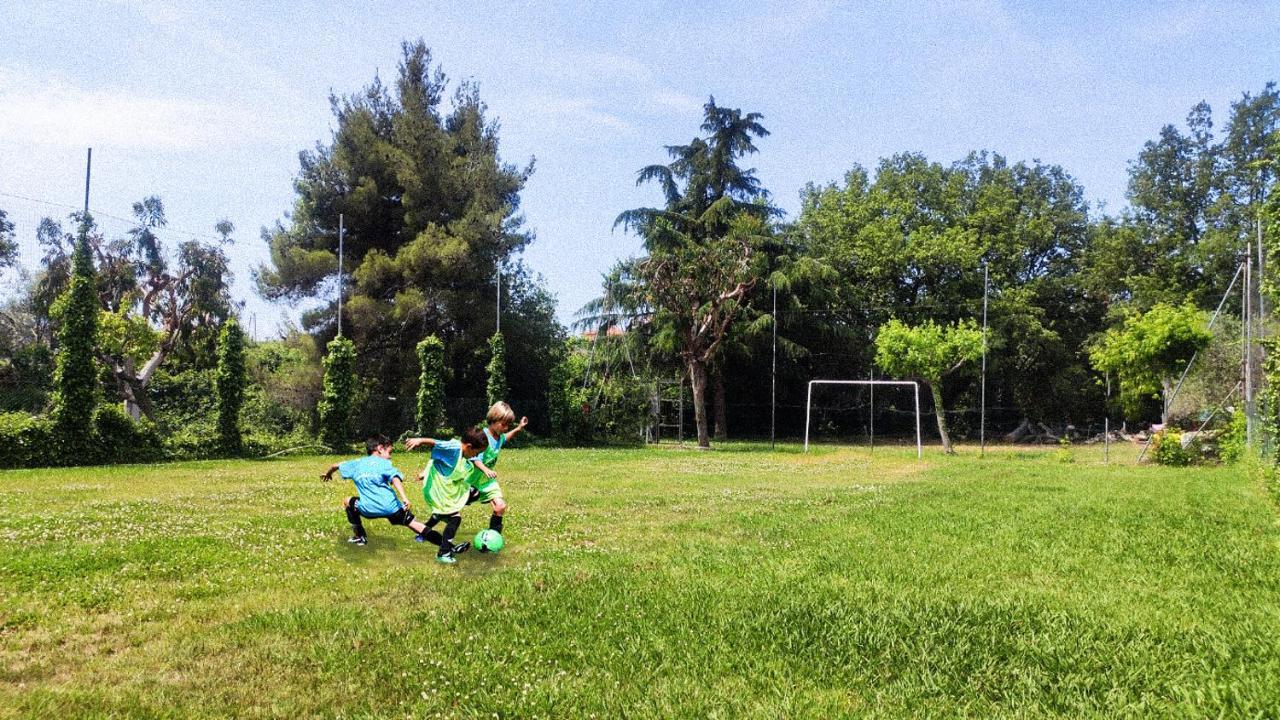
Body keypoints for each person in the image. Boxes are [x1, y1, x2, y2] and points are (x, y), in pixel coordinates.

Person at [320, 434, 436, 547]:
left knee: (347, 501)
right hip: (391, 508)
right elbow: (395, 479)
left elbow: (335, 465)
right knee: (415, 524)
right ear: (380, 449)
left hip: (368, 509)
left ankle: (359, 536)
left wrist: (328, 474)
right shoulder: (384, 464)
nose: (390, 456)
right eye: (389, 452)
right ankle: (446, 546)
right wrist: (404, 497)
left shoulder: (356, 463)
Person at [404, 426, 488, 564]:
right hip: (437, 490)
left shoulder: (461, 454)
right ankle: (444, 553)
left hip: (447, 487)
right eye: (476, 452)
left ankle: (438, 528)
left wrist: (425, 472)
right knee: (455, 518)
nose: (476, 456)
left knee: (474, 494)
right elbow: (436, 443)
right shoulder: (454, 447)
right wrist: (420, 440)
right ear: (469, 446)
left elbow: (437, 460)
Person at [464, 401, 529, 537]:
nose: (505, 428)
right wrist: (486, 470)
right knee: (450, 509)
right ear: (493, 420)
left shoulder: (498, 437)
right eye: (503, 424)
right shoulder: (483, 437)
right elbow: (474, 458)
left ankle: (493, 538)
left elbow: (505, 438)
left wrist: (518, 428)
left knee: (500, 506)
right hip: (470, 479)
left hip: (487, 481)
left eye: (508, 425)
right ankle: (425, 530)